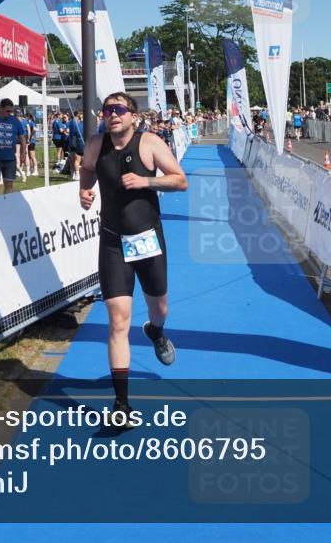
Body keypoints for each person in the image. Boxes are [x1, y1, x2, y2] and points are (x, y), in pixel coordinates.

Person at [79, 92, 187, 422]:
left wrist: (146, 181)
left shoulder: (150, 143)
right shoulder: (95, 145)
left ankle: (156, 331)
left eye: (119, 109)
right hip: (113, 241)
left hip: (147, 240)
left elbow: (180, 181)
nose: (112, 114)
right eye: (107, 110)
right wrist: (84, 190)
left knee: (160, 308)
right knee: (117, 321)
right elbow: (87, 169)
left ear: (133, 116)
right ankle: (122, 405)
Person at [68, 110, 86, 180]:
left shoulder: (72, 122)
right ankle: (76, 174)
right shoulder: (76, 122)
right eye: (80, 114)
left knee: (74, 158)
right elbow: (77, 133)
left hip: (73, 141)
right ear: (78, 114)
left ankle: (73, 173)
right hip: (76, 142)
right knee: (77, 158)